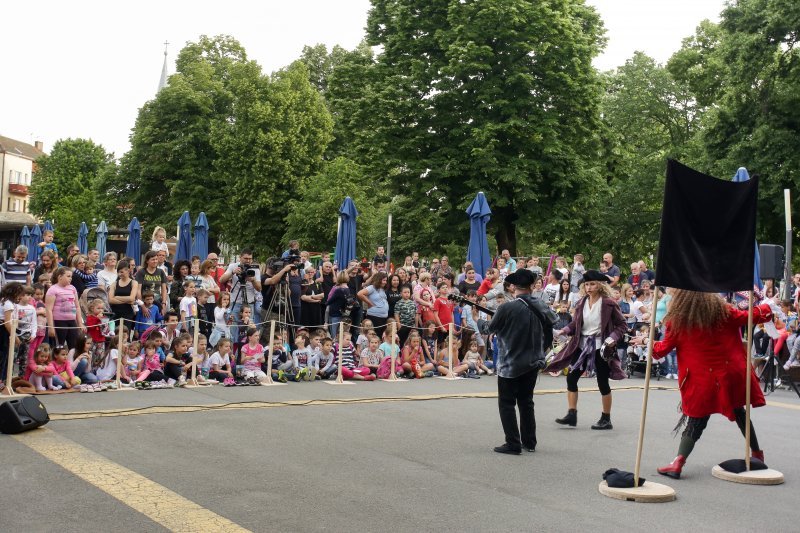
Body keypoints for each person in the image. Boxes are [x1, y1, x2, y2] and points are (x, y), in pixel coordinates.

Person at [638, 290, 772, 479]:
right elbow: (751, 315)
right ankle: (757, 454)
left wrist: (645, 340)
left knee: (696, 421)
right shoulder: (723, 311)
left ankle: (678, 462)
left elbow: (661, 350)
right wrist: (767, 306)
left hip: (701, 380)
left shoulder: (678, 321)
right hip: (729, 375)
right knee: (740, 413)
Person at [474, 268, 558, 454]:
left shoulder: (506, 307)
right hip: (534, 360)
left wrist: (477, 321)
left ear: (513, 287)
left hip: (510, 363)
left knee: (506, 402)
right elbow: (553, 321)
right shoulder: (541, 305)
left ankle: (513, 443)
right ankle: (529, 442)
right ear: (531, 286)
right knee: (526, 402)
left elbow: (489, 328)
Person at [549, 270, 628, 430]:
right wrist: (564, 330)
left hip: (601, 348)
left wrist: (612, 338)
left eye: (592, 284)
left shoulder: (608, 303)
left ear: (600, 285)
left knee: (602, 382)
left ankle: (606, 419)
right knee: (571, 378)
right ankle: (572, 414)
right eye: (587, 284)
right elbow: (576, 324)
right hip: (581, 346)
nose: (589, 287)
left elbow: (622, 325)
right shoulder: (581, 302)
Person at [219, 249, 262, 325]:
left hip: (249, 304)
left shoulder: (255, 269)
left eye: (250, 259)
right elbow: (221, 280)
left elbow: (259, 288)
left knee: (248, 330)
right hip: (235, 302)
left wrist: (253, 280)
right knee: (234, 328)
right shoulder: (233, 266)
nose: (248, 261)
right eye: (246, 258)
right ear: (240, 257)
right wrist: (233, 272)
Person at [45, 268, 85, 350]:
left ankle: (70, 362)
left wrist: (80, 323)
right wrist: (51, 327)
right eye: (68, 276)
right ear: (60, 277)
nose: (70, 278)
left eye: (71, 276)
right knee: (59, 347)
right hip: (59, 321)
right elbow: (48, 309)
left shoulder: (72, 288)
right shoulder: (53, 289)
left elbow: (77, 306)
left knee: (73, 346)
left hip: (72, 321)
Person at [135, 251, 169, 316]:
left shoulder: (161, 272)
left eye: (156, 259)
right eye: (153, 259)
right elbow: (138, 290)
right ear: (147, 261)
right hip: (144, 302)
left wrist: (164, 303)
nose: (155, 261)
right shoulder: (141, 272)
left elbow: (164, 289)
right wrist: (142, 305)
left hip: (157, 302)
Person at [109, 259, 139, 326]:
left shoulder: (134, 283)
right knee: (115, 334)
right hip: (115, 313)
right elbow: (110, 300)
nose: (120, 274)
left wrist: (117, 297)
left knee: (125, 334)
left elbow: (132, 299)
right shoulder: (114, 284)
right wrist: (127, 300)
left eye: (121, 272)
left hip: (127, 314)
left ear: (128, 270)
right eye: (118, 272)